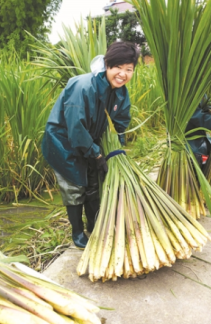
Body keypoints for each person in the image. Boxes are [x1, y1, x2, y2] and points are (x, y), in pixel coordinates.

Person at [41, 41, 140, 249]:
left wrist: (116, 150)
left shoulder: (120, 93)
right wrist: (96, 155)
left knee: (95, 182)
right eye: (118, 67)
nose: (123, 74)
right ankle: (77, 232)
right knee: (75, 185)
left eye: (128, 69)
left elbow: (120, 123)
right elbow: (76, 129)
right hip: (64, 141)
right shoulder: (83, 86)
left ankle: (93, 223)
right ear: (107, 65)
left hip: (89, 139)